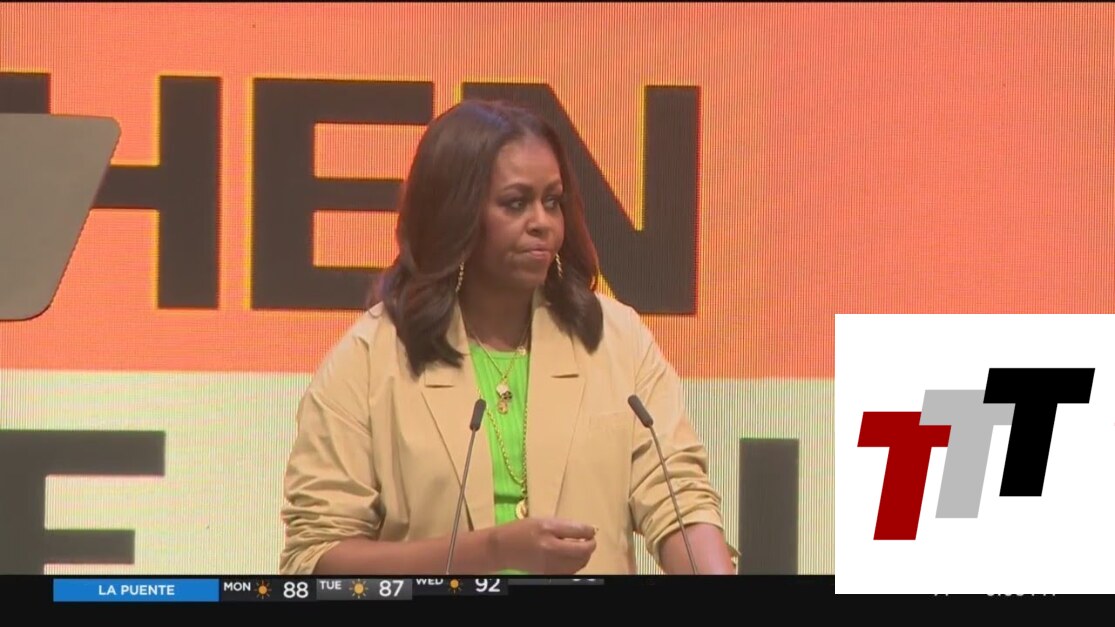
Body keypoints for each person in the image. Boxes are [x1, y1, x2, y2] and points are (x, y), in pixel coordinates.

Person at [279, 99, 737, 575]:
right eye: (515, 203)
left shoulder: (615, 339)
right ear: (455, 214)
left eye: (552, 201)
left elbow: (679, 501)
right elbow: (317, 558)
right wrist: (492, 552)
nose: (542, 222)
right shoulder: (371, 358)